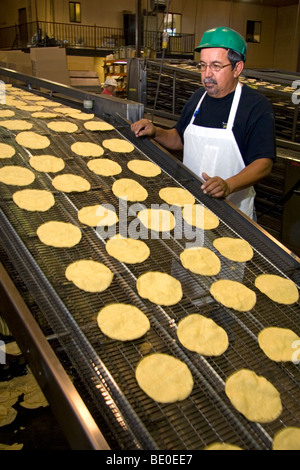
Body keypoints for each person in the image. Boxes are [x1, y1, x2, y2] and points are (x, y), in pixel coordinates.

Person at [131, 26, 276, 219]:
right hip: (190, 206)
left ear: (237, 68)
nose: (207, 74)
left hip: (233, 214)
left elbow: (264, 163)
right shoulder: (198, 97)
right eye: (203, 65)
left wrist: (228, 185)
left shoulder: (255, 106)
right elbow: (179, 139)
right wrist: (156, 131)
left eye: (216, 66)